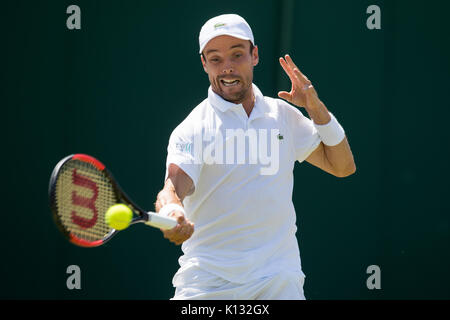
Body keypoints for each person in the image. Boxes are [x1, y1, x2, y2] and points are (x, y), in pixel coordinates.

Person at [154, 14, 356, 300]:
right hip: (208, 285)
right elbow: (172, 189)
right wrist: (172, 212)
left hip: (278, 281)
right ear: (204, 64)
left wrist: (316, 108)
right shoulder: (192, 128)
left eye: (237, 55)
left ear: (255, 55)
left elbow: (343, 166)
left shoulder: (283, 116)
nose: (227, 68)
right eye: (215, 59)